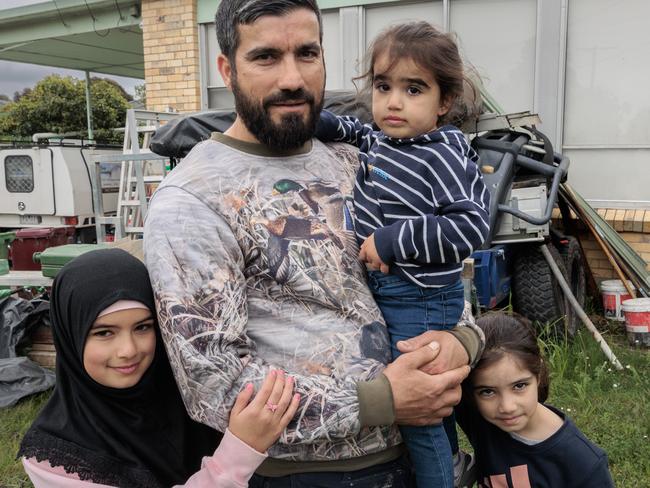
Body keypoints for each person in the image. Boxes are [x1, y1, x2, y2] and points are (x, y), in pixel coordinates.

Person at [143, 1, 484, 486]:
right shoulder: (193, 199)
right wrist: (383, 400)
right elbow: (214, 383)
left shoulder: (358, 158)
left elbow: (434, 268)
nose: (292, 78)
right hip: (314, 474)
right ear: (227, 70)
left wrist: (461, 340)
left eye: (307, 53)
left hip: (416, 451)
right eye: (265, 57)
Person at [315, 21, 489, 488]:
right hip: (395, 294)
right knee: (430, 394)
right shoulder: (386, 140)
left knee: (420, 410)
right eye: (383, 86)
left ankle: (440, 479)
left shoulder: (442, 154)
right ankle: (454, 463)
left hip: (421, 300)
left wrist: (392, 240)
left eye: (414, 89)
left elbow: (471, 225)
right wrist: (317, 119)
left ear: (444, 101)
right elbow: (354, 130)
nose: (393, 102)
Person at [18, 248, 300, 488]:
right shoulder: (54, 458)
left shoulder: (193, 394)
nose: (129, 350)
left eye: (142, 327)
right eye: (104, 333)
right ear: (70, 337)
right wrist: (237, 454)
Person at [456, 313, 615, 488]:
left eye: (519, 386)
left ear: (538, 374)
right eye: (487, 391)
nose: (507, 407)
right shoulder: (479, 417)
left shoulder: (583, 463)